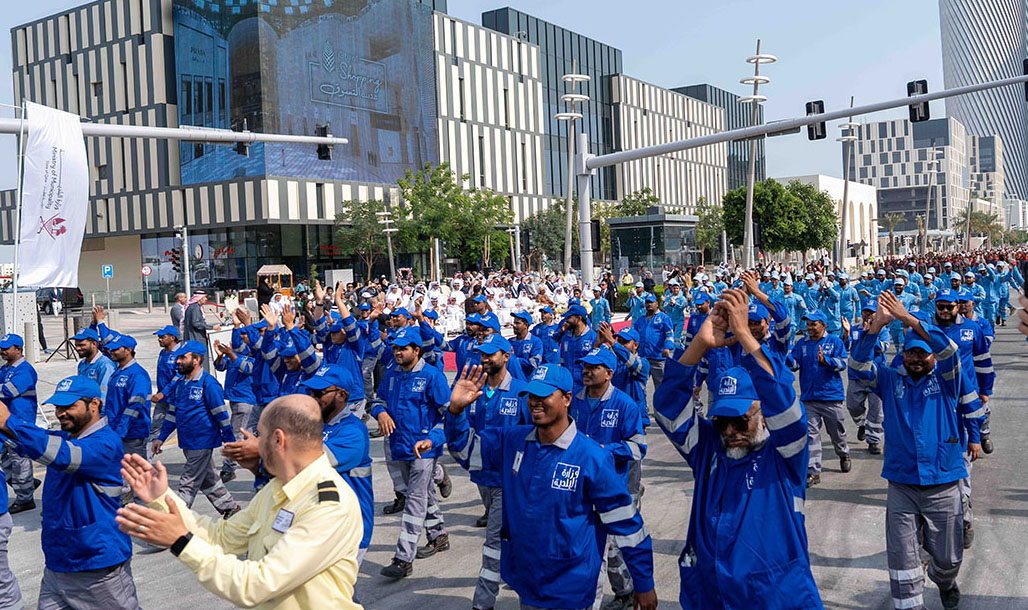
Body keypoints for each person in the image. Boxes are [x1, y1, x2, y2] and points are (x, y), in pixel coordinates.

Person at [654, 288, 823, 610]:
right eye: (722, 421)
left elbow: (784, 403)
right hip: (711, 595)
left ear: (763, 413)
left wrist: (744, 334)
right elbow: (667, 409)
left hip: (774, 597)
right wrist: (700, 343)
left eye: (741, 421)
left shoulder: (786, 453)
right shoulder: (708, 449)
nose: (731, 431)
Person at [117, 395, 363, 610]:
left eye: (259, 435)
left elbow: (256, 585)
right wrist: (163, 497)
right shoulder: (278, 488)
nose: (254, 442)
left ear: (278, 440)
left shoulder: (328, 506)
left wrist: (181, 541)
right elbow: (221, 536)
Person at [444, 364, 657, 610]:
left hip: (571, 589)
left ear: (567, 399)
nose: (535, 402)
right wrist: (456, 411)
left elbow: (626, 523)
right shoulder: (512, 441)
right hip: (527, 583)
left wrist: (643, 582)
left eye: (544, 395)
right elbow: (466, 451)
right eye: (531, 395)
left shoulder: (591, 457)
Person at [848, 290, 983, 610]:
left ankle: (944, 580)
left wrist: (907, 317)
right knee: (903, 559)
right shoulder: (889, 379)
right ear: (903, 353)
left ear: (932, 356)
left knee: (948, 559)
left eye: (923, 354)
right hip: (902, 484)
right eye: (911, 353)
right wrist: (876, 327)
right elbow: (857, 366)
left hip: (943, 481)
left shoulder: (948, 378)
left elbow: (949, 350)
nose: (917, 359)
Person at [0, 375, 139, 609]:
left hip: (97, 569)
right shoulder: (66, 437)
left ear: (94, 404)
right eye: (57, 407)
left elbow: (63, 455)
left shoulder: (105, 443)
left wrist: (8, 422)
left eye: (69, 406)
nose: (61, 413)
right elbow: (32, 441)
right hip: (59, 566)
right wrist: (7, 430)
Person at [446, 336, 528, 610]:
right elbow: (460, 433)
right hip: (482, 478)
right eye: (482, 353)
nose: (485, 358)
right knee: (512, 538)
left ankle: (483, 602)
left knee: (494, 541)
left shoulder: (522, 393)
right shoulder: (475, 391)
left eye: (491, 354)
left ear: (506, 356)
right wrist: (455, 410)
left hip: (510, 483)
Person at [371, 326, 452, 578]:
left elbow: (449, 416)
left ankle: (403, 558)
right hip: (400, 447)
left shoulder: (432, 376)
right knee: (423, 494)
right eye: (395, 348)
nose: (397, 352)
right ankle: (438, 535)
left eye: (403, 349)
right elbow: (378, 400)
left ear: (416, 350)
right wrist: (380, 413)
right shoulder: (392, 375)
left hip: (424, 451)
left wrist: (432, 439)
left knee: (414, 501)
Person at [571, 347, 646, 610]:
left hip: (612, 486)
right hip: (579, 485)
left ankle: (609, 595)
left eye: (594, 367)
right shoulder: (574, 400)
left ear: (609, 373)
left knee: (607, 545)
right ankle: (625, 589)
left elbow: (638, 447)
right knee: (596, 545)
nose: (587, 371)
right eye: (585, 366)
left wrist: (604, 450)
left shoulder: (625, 404)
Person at [152, 340, 240, 517]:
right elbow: (173, 414)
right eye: (178, 358)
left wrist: (230, 440)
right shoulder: (180, 384)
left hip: (202, 441)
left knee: (188, 481)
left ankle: (177, 518)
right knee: (208, 479)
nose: (178, 361)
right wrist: (161, 437)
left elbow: (221, 414)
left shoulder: (208, 384)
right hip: (187, 441)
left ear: (196, 360)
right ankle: (229, 508)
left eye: (183, 358)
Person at [788, 310, 850, 487]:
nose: (809, 327)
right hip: (809, 398)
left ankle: (843, 453)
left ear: (823, 325)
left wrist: (826, 361)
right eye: (808, 324)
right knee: (811, 435)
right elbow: (794, 365)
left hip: (831, 397)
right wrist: (785, 356)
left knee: (837, 433)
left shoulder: (835, 341)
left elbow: (843, 363)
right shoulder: (802, 343)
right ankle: (813, 471)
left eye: (813, 324)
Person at [0, 334, 39, 514]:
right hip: (6, 421)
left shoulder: (25, 370)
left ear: (18, 349)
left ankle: (25, 499)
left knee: (19, 459)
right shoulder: (6, 369)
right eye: (1, 348)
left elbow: (8, 391)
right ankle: (26, 484)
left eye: (6, 348)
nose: (2, 351)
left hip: (20, 421)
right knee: (5, 458)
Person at [845, 299, 888, 455]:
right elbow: (848, 347)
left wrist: (871, 333)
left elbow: (883, 348)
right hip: (856, 375)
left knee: (877, 411)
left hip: (876, 376)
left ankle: (874, 440)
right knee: (853, 406)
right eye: (866, 311)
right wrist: (846, 334)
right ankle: (861, 424)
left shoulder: (883, 330)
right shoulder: (854, 329)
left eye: (871, 312)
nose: (868, 314)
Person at [104, 334, 153, 465]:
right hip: (116, 430)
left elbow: (135, 406)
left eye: (115, 349)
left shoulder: (137, 374)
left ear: (128, 350)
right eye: (111, 349)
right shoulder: (118, 371)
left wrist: (121, 430)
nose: (111, 352)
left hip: (132, 434)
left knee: (135, 471)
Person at [213, 336, 256, 483]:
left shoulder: (253, 358)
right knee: (247, 432)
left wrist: (231, 354)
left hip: (245, 400)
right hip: (234, 398)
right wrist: (220, 356)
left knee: (237, 434)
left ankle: (229, 467)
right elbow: (220, 366)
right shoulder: (233, 355)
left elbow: (246, 368)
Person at [149, 326, 180, 456]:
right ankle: (146, 458)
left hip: (175, 399)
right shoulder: (163, 353)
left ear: (172, 338)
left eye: (162, 337)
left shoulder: (180, 354)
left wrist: (164, 392)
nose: (159, 339)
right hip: (162, 399)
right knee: (154, 429)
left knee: (185, 432)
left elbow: (178, 377)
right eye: (159, 337)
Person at [634, 294, 674, 391]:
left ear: (657, 303)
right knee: (639, 387)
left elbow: (669, 334)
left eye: (651, 302)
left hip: (658, 358)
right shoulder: (640, 320)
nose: (649, 304)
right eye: (647, 302)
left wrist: (667, 347)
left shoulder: (664, 318)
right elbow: (634, 336)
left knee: (661, 387)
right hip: (643, 358)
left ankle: (661, 401)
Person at [72, 327, 117, 400]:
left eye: (82, 345)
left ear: (94, 344)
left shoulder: (105, 365)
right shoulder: (82, 364)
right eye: (76, 345)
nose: (77, 348)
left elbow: (104, 394)